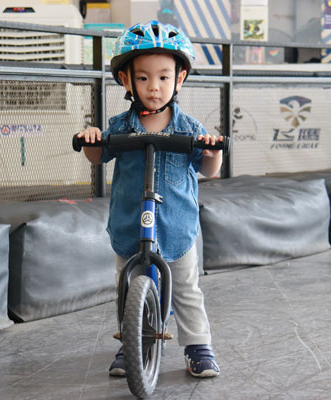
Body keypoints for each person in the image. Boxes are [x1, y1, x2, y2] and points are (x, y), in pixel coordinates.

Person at [77, 20, 223, 378]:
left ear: (179, 78)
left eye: (162, 77)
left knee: (186, 287)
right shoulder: (120, 127)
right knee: (126, 286)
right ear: (126, 81)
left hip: (176, 226)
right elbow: (98, 157)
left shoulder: (190, 129)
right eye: (143, 78)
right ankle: (131, 343)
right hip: (131, 224)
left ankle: (198, 345)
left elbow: (210, 170)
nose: (153, 87)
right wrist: (94, 140)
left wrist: (212, 149)